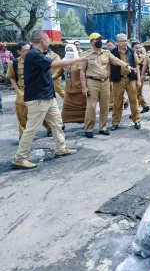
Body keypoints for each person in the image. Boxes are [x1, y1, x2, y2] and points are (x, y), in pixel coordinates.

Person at [11, 30, 86, 169]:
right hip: (38, 98)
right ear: (42, 40)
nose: (50, 42)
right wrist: (79, 58)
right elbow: (55, 64)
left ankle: (61, 148)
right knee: (32, 129)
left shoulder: (38, 54)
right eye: (48, 40)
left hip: (47, 96)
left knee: (57, 123)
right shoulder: (34, 54)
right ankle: (20, 157)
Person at [80, 33, 137, 138]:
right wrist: (84, 87)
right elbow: (82, 72)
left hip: (105, 82)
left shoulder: (106, 53)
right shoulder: (86, 55)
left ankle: (103, 127)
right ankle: (89, 128)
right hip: (92, 82)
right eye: (97, 39)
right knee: (91, 106)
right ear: (91, 41)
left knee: (105, 106)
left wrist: (127, 65)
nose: (99, 41)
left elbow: (116, 60)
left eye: (100, 39)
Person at [110, 34, 142, 131]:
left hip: (130, 79)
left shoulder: (132, 51)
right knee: (117, 102)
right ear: (118, 43)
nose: (124, 42)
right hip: (118, 80)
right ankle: (115, 122)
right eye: (122, 41)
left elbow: (137, 66)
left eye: (125, 40)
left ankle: (136, 120)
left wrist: (139, 80)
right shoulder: (113, 52)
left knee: (134, 100)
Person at [55, 44, 87, 124]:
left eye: (71, 50)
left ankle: (86, 122)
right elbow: (57, 73)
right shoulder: (63, 61)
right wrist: (48, 78)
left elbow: (85, 74)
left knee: (83, 107)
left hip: (80, 89)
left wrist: (85, 87)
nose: (69, 52)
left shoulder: (80, 61)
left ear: (75, 50)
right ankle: (62, 123)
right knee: (66, 106)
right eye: (67, 50)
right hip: (69, 89)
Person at [107, 39, 127, 111]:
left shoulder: (117, 52)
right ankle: (112, 105)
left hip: (119, 74)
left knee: (115, 91)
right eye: (107, 45)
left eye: (110, 45)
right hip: (110, 74)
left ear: (114, 45)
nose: (108, 47)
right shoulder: (107, 53)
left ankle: (124, 101)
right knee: (111, 90)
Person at [134, 43, 150, 113]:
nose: (138, 49)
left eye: (139, 48)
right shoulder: (130, 56)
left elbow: (145, 67)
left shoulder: (143, 57)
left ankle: (136, 110)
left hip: (141, 76)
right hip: (132, 77)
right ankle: (145, 106)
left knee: (137, 93)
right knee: (137, 93)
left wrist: (143, 76)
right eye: (136, 48)